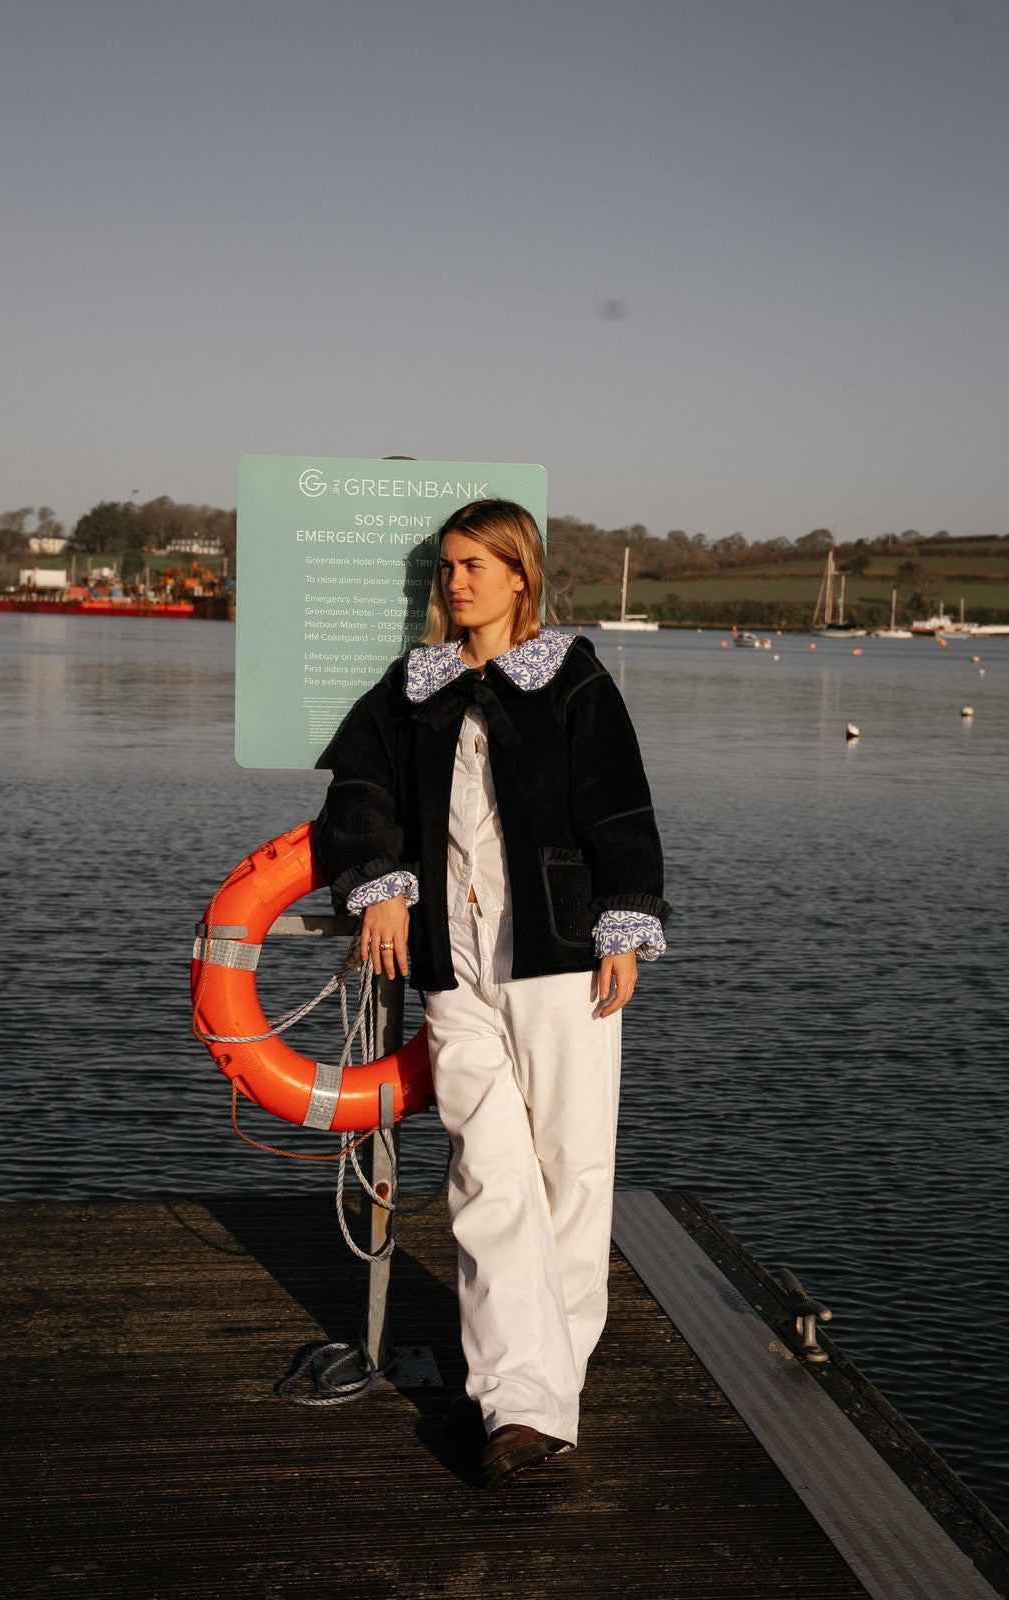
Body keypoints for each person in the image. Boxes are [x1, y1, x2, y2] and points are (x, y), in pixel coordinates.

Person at [313, 498, 669, 1485]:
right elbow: (357, 786)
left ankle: (546, 1395)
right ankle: (519, 1407)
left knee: (569, 1174)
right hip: (453, 969)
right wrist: (380, 883)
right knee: (486, 1178)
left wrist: (627, 921)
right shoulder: (413, 687)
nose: (456, 582)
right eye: (447, 567)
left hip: (559, 956)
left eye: (476, 564)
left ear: (522, 575)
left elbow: (618, 800)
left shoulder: (572, 677)